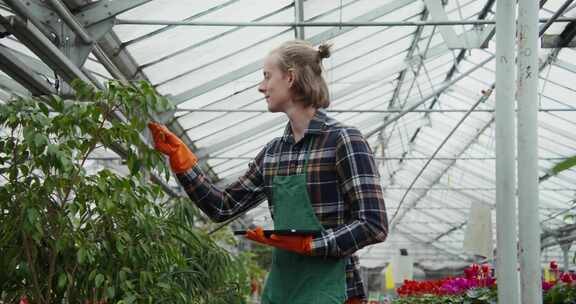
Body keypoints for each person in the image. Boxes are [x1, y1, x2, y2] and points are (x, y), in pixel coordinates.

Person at [148, 40, 388, 304]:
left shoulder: (344, 140)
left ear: (290, 77)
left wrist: (312, 244)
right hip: (283, 290)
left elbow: (373, 223)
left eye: (266, 76)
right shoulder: (273, 153)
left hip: (333, 290)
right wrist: (183, 162)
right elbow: (223, 207)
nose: (261, 87)